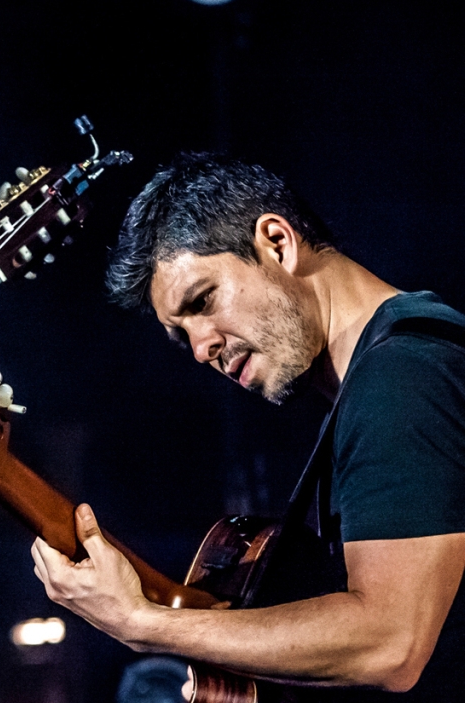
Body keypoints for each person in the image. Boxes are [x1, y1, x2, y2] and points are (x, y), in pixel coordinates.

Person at [31, 153, 465, 700]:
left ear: (278, 242)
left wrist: (143, 623)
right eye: (181, 334)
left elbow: (389, 643)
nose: (200, 348)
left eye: (203, 300)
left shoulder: (402, 376)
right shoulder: (377, 384)